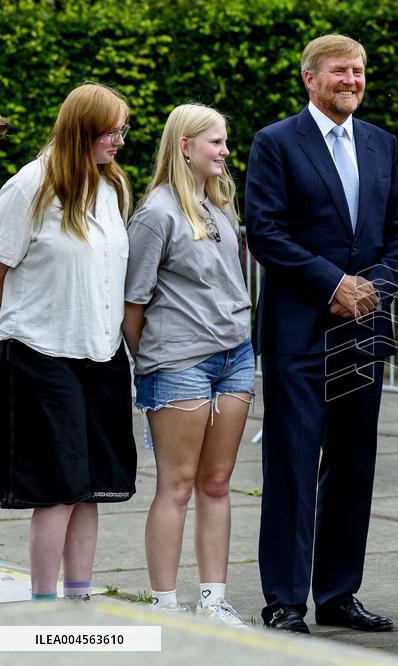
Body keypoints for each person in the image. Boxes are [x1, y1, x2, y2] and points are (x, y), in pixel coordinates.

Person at [245, 33, 398, 634]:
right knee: (292, 462)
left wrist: (373, 289)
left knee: (352, 462)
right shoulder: (275, 143)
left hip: (362, 332)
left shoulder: (382, 144)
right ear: (310, 79)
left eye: (360, 71)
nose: (352, 80)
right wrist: (333, 284)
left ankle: (339, 593)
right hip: (298, 330)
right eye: (340, 71)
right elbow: (265, 231)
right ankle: (285, 600)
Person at [0, 83, 137, 603]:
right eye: (113, 130)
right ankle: (42, 607)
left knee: (91, 486)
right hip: (40, 353)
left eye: (124, 129)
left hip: (100, 355)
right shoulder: (30, 187)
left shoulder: (111, 188)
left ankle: (79, 599)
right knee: (57, 487)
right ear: (82, 129)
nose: (121, 140)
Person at [122, 104, 253, 624]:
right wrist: (155, 361)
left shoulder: (218, 205)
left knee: (217, 482)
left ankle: (213, 603)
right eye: (215, 143)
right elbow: (132, 306)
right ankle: (165, 609)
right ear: (184, 146)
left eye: (225, 142)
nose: (224, 152)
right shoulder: (156, 214)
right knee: (175, 485)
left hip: (236, 358)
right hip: (178, 364)